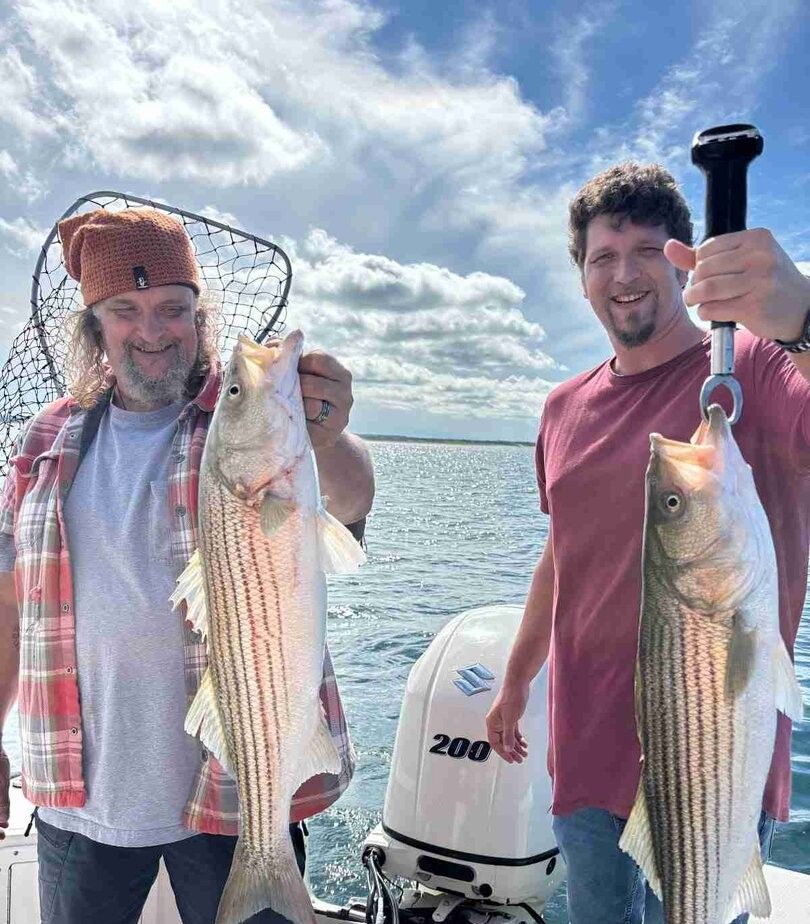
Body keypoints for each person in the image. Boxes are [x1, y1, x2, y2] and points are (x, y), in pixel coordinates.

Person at [0, 207, 375, 924]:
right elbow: (10, 601)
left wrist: (328, 434)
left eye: (173, 308)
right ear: (94, 325)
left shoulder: (235, 420)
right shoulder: (45, 435)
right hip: (77, 798)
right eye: (125, 310)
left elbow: (352, 496)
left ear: (200, 317)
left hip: (237, 786)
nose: (151, 330)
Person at [485, 163, 810, 924]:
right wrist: (514, 681)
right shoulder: (562, 406)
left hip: (714, 753)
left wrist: (801, 321)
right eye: (603, 257)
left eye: (645, 250)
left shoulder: (755, 368)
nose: (624, 274)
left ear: (683, 258)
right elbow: (562, 554)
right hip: (586, 746)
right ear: (583, 277)